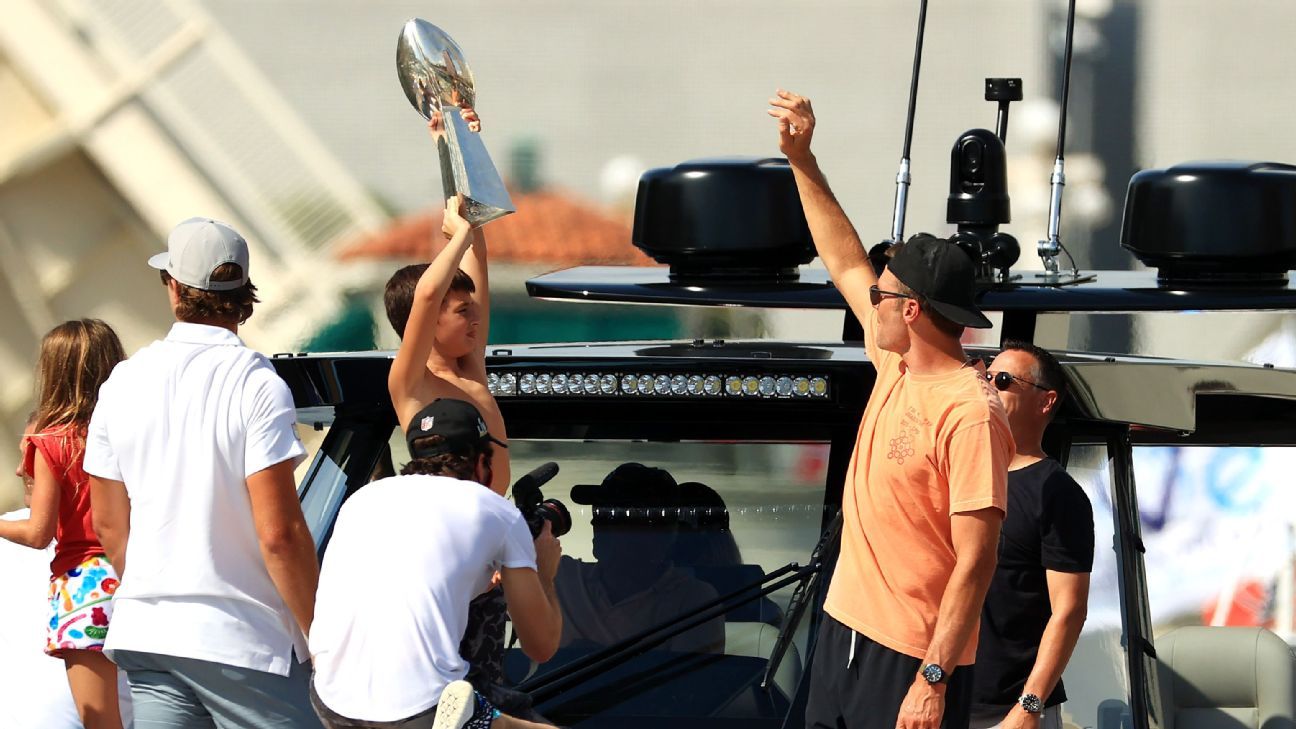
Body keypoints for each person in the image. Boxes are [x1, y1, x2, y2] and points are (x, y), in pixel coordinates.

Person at [767, 89, 1015, 729]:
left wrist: (932, 679)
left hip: (909, 656)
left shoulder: (971, 411)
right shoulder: (894, 364)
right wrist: (802, 159)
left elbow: (977, 558)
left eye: (883, 292)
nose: (867, 297)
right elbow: (844, 257)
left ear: (911, 310)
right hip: (844, 627)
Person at [85, 217, 321, 727]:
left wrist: (159, 588)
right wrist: (322, 640)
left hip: (148, 635)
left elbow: (108, 525)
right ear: (243, 293)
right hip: (244, 642)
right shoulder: (257, 384)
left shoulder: (121, 383)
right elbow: (278, 534)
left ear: (174, 289)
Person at [309, 398, 562, 729]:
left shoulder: (361, 499)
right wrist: (545, 571)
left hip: (329, 699)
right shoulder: (496, 511)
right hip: (421, 709)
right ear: (482, 459)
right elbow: (540, 647)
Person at [0, 322, 127, 728]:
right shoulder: (131, 431)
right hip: (139, 573)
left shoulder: (51, 442)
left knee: (102, 720)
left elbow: (39, 533)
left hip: (83, 587)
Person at [386, 105, 510, 495]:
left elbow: (475, 246)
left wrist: (456, 142)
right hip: (450, 533)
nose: (477, 317)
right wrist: (457, 238)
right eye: (461, 311)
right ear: (426, 322)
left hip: (493, 525)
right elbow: (426, 293)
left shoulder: (470, 369)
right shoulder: (411, 383)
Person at [971, 342, 1093, 729]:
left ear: (1046, 401)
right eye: (984, 377)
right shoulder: (958, 474)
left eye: (1003, 380)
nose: (989, 386)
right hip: (939, 698)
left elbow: (1069, 610)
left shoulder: (1057, 493)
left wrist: (1029, 706)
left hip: (1008, 712)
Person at [555, 463, 725, 654]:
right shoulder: (561, 577)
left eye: (615, 516)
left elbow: (689, 682)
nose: (597, 523)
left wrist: (587, 660)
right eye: (599, 512)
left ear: (661, 534)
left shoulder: (693, 601)